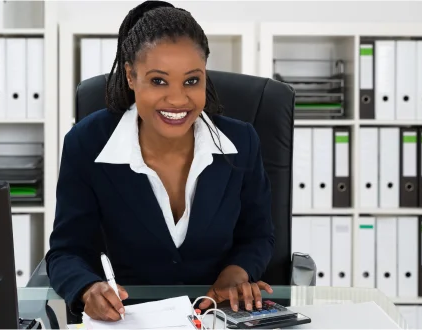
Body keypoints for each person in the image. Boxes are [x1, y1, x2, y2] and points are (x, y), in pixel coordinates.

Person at [45, 0, 275, 323]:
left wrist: (236, 273)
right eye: (158, 81)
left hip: (218, 317)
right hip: (128, 321)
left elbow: (258, 235)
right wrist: (87, 289)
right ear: (130, 75)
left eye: (192, 81)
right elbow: (66, 251)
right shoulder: (86, 145)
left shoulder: (242, 143)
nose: (178, 99)